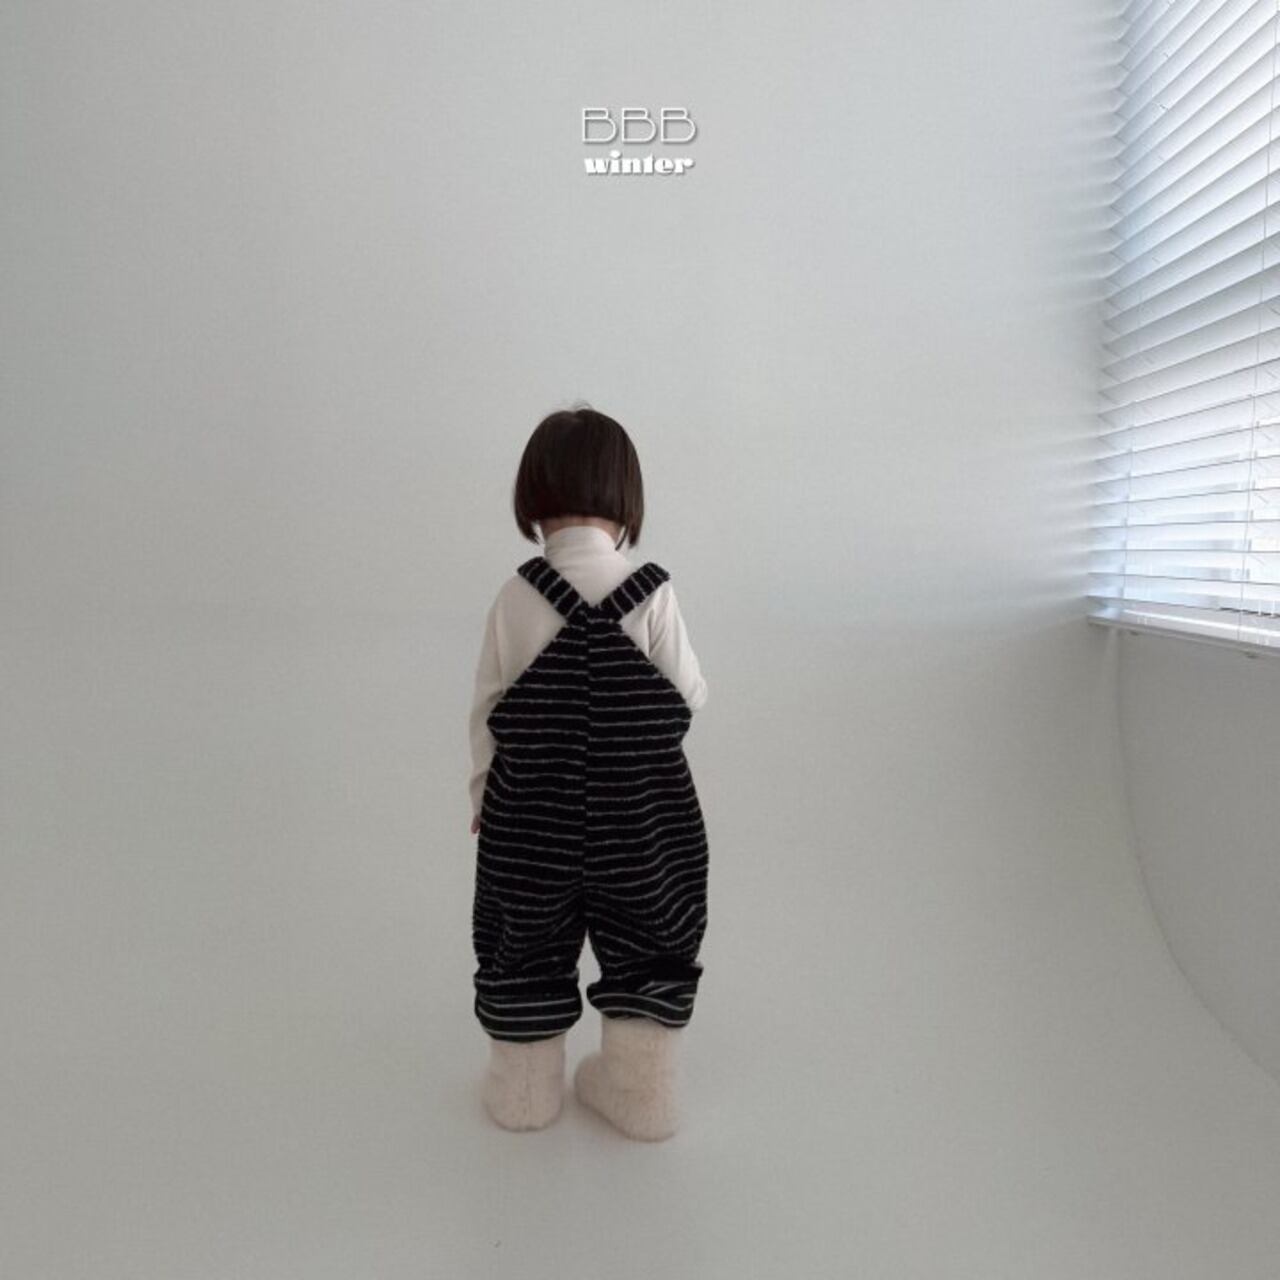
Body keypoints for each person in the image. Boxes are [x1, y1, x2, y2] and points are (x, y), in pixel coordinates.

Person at [467, 405, 710, 1141]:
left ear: (532, 501)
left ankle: (523, 1095)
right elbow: (692, 693)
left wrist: (483, 796)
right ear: (626, 501)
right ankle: (643, 1096)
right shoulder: (652, 593)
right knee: (653, 937)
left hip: (529, 818)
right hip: (644, 819)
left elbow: (486, 712)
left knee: (522, 940)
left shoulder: (517, 596)